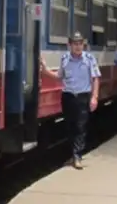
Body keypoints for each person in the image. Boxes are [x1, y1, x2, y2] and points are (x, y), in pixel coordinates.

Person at [39, 31, 100, 169]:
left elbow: (96, 78)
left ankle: (77, 156)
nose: (78, 47)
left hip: (83, 96)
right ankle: (73, 155)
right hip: (68, 97)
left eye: (80, 44)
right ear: (69, 45)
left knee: (80, 127)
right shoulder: (65, 58)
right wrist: (45, 70)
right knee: (70, 127)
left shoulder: (89, 59)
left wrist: (94, 97)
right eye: (75, 44)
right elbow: (59, 76)